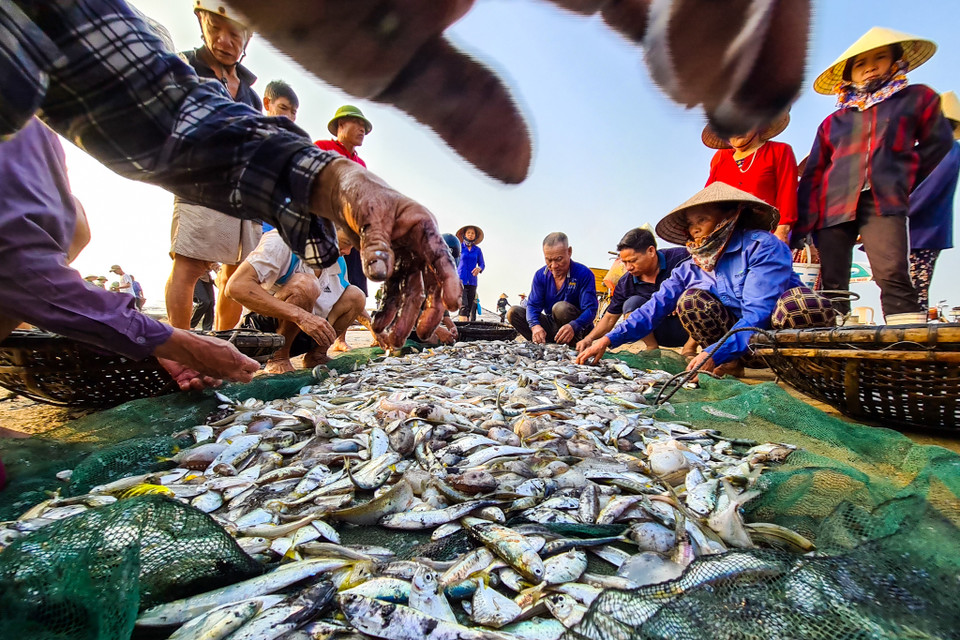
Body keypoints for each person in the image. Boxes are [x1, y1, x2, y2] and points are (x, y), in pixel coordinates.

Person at [1, 1, 463, 385]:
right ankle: (206, 337)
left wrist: (343, 182)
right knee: (190, 262)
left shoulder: (56, 33)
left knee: (71, 222)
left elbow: (173, 114)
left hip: (243, 201)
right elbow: (19, 265)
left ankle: (214, 340)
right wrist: (169, 339)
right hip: (216, 219)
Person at [0, 118, 258, 391]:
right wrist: (179, 344)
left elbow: (35, 277)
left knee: (74, 221)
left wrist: (166, 345)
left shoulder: (39, 132)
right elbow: (21, 267)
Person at [577, 183, 836, 378]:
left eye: (703, 220)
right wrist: (607, 340)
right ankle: (732, 364)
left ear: (729, 218)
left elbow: (758, 313)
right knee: (691, 301)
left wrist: (714, 351)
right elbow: (654, 307)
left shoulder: (763, 247)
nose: (695, 230)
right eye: (691, 224)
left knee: (797, 303)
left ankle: (806, 373)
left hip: (777, 338)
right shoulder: (691, 266)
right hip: (740, 348)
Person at [797, 27, 954, 323]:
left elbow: (940, 142)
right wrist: (801, 227)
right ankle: (837, 344)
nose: (870, 67)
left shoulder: (916, 99)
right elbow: (813, 175)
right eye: (860, 64)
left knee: (892, 271)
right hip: (833, 206)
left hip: (884, 201)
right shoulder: (833, 122)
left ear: (895, 61)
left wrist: (903, 175)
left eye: (879, 57)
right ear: (849, 75)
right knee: (833, 282)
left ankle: (905, 345)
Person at [166, 1, 265, 333]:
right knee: (190, 265)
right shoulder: (184, 66)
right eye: (215, 30)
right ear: (200, 21)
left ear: (248, 37)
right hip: (200, 185)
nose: (224, 41)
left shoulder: (250, 93)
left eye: (235, 34)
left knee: (236, 274)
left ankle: (221, 342)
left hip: (244, 194)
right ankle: (181, 346)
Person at [227, 230, 366, 373]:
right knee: (306, 284)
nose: (348, 252)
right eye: (345, 243)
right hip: (264, 335)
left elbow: (350, 300)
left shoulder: (338, 262)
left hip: (305, 333)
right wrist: (301, 316)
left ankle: (317, 355)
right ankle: (278, 357)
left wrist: (377, 328)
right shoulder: (282, 242)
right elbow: (236, 287)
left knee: (356, 295)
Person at [576, 227, 696, 357]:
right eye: (625, 262)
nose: (628, 267)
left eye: (632, 261)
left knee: (693, 297)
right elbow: (610, 318)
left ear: (651, 251)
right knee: (632, 303)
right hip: (656, 329)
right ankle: (652, 347)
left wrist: (680, 299)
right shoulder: (625, 283)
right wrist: (589, 338)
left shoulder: (682, 258)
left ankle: (690, 348)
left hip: (690, 329)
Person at [315, 105, 376, 350]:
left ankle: (341, 339)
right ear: (341, 125)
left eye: (364, 127)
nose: (362, 130)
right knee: (322, 280)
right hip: (324, 225)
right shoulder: (322, 147)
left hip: (352, 231)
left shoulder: (360, 162)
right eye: (356, 124)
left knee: (355, 283)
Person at [703, 112, 798, 244]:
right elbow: (708, 200)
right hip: (725, 238)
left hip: (765, 235)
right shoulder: (720, 159)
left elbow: (787, 193)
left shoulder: (779, 151)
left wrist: (782, 230)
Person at [907, 90, 960, 310]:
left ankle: (910, 339)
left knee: (914, 292)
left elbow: (927, 191)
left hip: (924, 232)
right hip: (911, 230)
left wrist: (892, 215)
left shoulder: (950, 150)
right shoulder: (927, 150)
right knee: (904, 290)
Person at [508, 232, 598, 345]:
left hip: (577, 328)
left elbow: (590, 310)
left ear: (569, 252)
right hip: (553, 326)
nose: (554, 266)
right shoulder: (540, 275)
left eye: (559, 259)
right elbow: (533, 305)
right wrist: (535, 326)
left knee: (560, 308)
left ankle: (574, 344)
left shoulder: (584, 273)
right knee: (513, 312)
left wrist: (574, 325)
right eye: (549, 260)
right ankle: (543, 343)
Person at [456, 225, 485, 322]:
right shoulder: (459, 247)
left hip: (473, 281)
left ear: (475, 236)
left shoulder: (477, 250)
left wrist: (479, 269)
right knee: (463, 305)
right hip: (460, 280)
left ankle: (465, 331)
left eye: (473, 233)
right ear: (464, 234)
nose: (470, 235)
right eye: (468, 233)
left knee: (469, 305)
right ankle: (462, 330)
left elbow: (482, 264)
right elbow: (452, 261)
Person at [191, 263, 217, 331]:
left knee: (211, 303)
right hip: (196, 276)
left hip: (206, 277)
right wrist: (218, 269)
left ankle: (207, 329)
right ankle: (191, 324)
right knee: (204, 302)